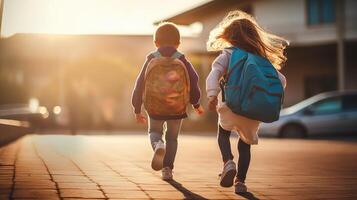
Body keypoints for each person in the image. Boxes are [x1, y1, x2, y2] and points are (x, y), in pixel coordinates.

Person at [206, 10, 288, 193]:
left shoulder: (228, 54)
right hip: (253, 111)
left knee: (223, 134)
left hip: (231, 107)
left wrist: (212, 95)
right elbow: (281, 81)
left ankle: (228, 162)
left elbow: (215, 73)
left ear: (229, 36)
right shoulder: (262, 59)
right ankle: (240, 182)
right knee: (245, 146)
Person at [132, 22, 204, 180]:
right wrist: (196, 103)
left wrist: (137, 108)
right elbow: (193, 80)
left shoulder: (151, 58)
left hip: (154, 107)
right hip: (177, 107)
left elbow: (139, 83)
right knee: (172, 138)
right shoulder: (182, 59)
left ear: (155, 43)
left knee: (154, 132)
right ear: (178, 43)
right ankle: (167, 169)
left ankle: (158, 144)